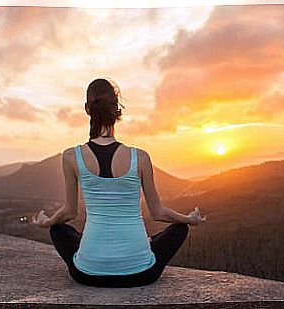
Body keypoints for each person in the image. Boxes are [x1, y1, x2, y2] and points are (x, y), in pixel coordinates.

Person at [30, 78, 207, 288]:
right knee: (180, 229)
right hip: (141, 273)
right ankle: (140, 246)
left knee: (58, 230)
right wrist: (189, 219)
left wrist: (46, 221)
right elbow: (158, 213)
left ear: (87, 109)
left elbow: (69, 212)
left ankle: (95, 252)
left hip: (88, 274)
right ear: (117, 111)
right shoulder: (139, 157)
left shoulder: (71, 156)